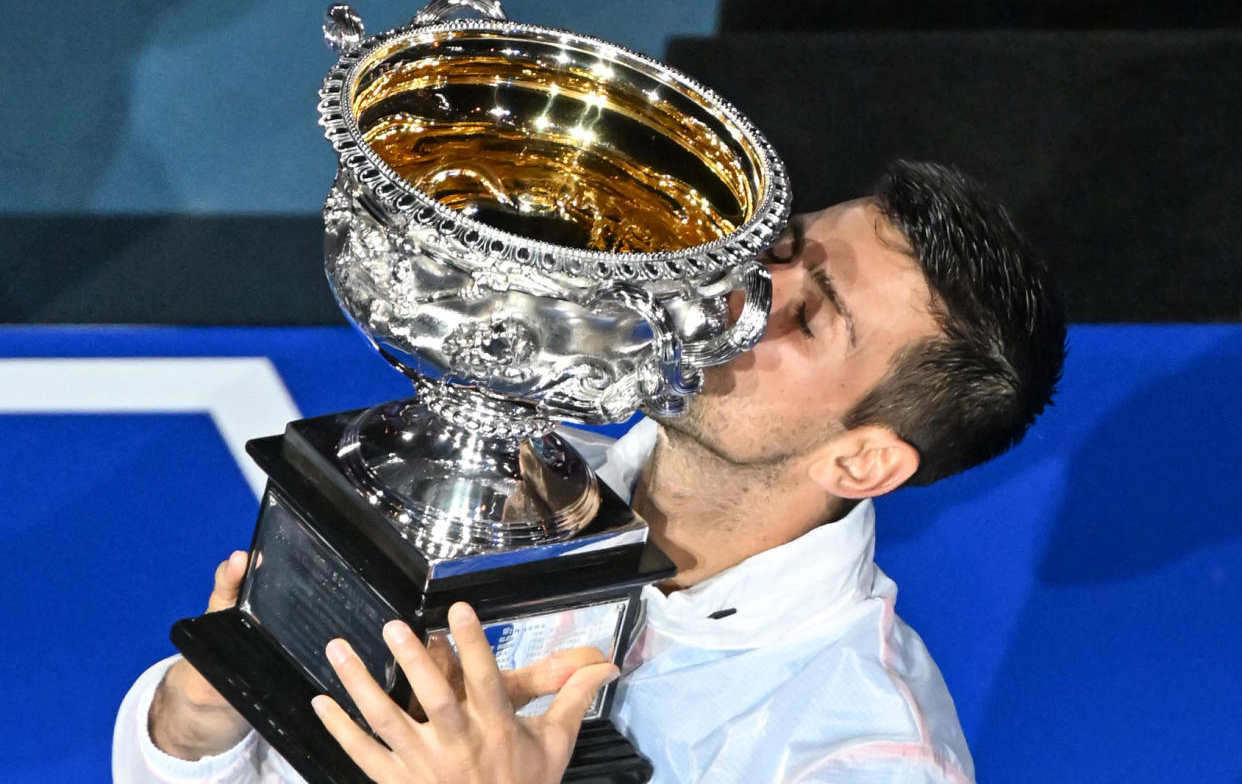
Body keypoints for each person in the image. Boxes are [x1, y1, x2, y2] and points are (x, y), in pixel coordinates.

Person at [114, 160, 1066, 783]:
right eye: (777, 253)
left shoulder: (863, 753)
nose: (742, 296)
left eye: (809, 320)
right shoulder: (488, 478)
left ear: (862, 459)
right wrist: (193, 738)